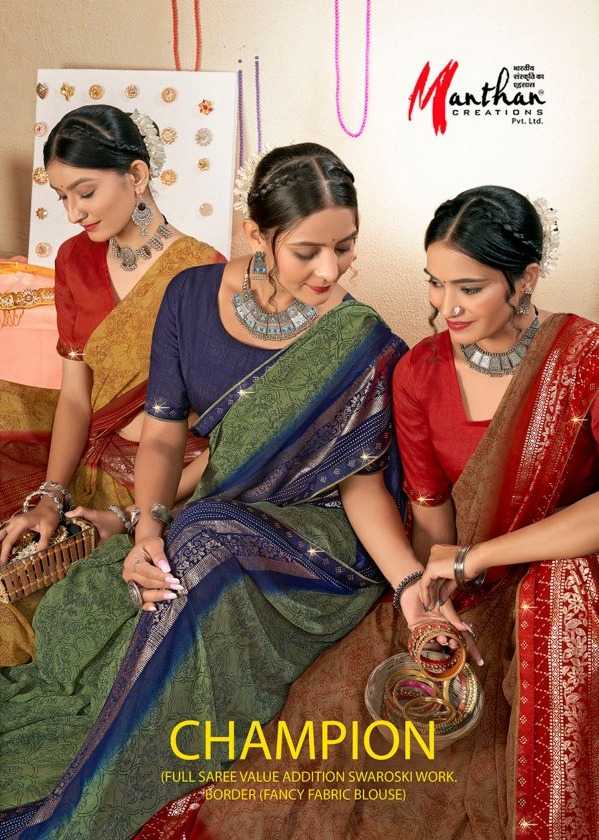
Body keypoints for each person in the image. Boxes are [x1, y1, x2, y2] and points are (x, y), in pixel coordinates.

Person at [0, 142, 459, 839]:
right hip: (219, 507)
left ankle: (99, 785)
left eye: (345, 247)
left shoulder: (357, 339)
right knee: (92, 598)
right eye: (307, 251)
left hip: (315, 541)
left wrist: (408, 583)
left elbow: (360, 483)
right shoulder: (190, 296)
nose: (330, 270)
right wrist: (145, 529)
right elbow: (162, 434)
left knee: (204, 541)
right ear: (256, 235)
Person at [189, 186, 599, 840]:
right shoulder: (421, 372)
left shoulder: (581, 359)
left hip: (562, 583)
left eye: (469, 288)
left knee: (555, 602)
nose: (445, 306)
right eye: (435, 283)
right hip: (468, 581)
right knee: (333, 732)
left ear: (524, 279)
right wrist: (434, 603)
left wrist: (478, 558)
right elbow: (433, 514)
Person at [0, 104, 222, 666]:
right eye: (62, 197)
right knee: (18, 563)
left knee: (82, 615)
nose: (73, 212)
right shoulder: (74, 260)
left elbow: (221, 427)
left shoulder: (203, 272)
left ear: (137, 176)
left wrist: (141, 515)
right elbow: (76, 397)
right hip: (85, 465)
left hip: (170, 481)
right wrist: (51, 496)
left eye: (86, 192)